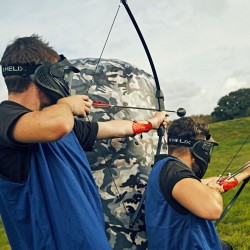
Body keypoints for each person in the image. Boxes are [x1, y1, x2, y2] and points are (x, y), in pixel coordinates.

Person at [0, 34, 168, 250]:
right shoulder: (6, 117)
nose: (63, 81)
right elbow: (57, 125)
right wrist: (66, 105)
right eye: (58, 73)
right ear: (44, 75)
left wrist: (150, 124)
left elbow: (109, 128)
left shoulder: (56, 122)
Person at [145, 117, 250, 250]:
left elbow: (205, 184)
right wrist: (212, 190)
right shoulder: (175, 173)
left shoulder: (165, 167)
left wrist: (244, 173)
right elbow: (213, 209)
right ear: (199, 149)